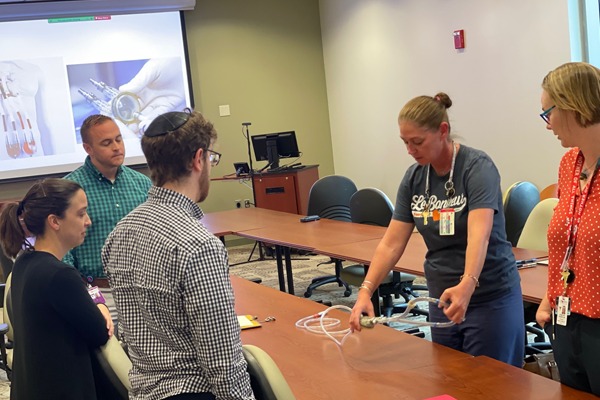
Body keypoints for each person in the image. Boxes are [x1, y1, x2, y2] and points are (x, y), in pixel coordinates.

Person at [349, 93, 525, 367]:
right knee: (452, 381)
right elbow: (391, 244)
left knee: (494, 387)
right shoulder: (414, 177)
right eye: (405, 142)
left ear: (443, 131)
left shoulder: (477, 168)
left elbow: (479, 235)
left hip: (488, 296)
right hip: (442, 297)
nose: (410, 149)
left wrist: (467, 284)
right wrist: (365, 291)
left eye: (417, 141)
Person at [102, 110, 254, 400]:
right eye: (211, 158)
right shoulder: (199, 245)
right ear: (198, 159)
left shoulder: (119, 233)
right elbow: (222, 361)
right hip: (194, 392)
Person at [0, 179, 112, 400]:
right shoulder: (59, 275)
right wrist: (101, 306)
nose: (88, 221)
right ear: (54, 221)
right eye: (81, 214)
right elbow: (100, 333)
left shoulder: (25, 261)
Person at [536, 62, 600, 396]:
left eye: (548, 113)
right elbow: (567, 240)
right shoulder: (569, 164)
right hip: (566, 317)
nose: (547, 125)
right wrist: (550, 298)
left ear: (572, 106)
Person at [63, 114, 152, 324]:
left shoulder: (142, 185)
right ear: (88, 148)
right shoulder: (70, 189)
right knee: (105, 354)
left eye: (119, 139)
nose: (116, 147)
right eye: (106, 143)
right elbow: (63, 250)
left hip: (143, 289)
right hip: (96, 292)